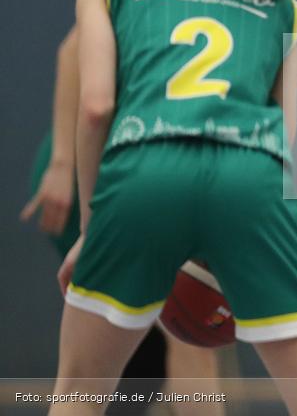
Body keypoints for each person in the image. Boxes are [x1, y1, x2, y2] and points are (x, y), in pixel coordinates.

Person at [49, 0, 297, 416]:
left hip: (144, 169)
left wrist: (92, 229)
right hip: (251, 179)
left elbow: (95, 107)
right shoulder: (286, 8)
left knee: (80, 395)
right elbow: (285, 136)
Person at [22, 25, 223, 416]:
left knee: (170, 333)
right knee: (183, 330)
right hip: (106, 173)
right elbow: (72, 53)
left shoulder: (262, 10)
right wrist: (62, 162)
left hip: (155, 173)